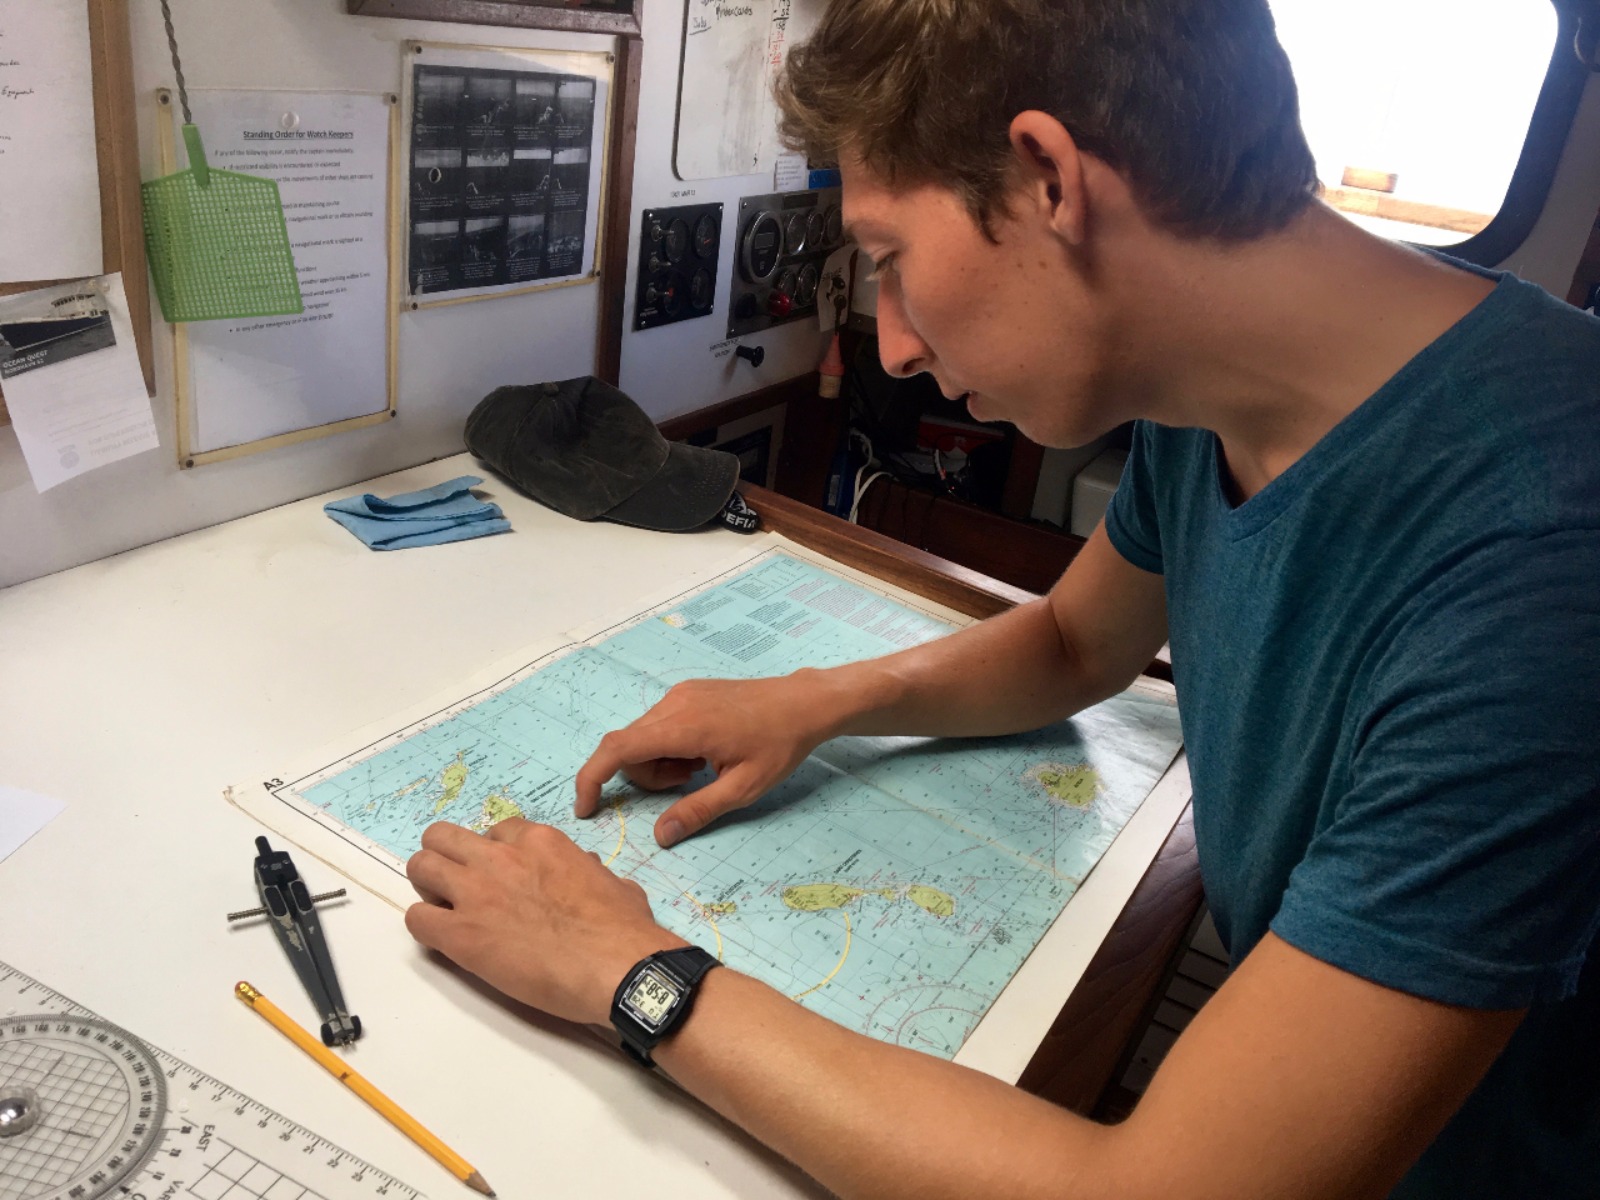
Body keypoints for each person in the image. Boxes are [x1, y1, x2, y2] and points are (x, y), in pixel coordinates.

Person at [400, 2, 1600, 1195]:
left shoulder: (1544, 558)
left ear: (1047, 180)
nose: (895, 346)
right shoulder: (1211, 380)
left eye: (888, 260)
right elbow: (1077, 641)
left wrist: (627, 970)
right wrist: (812, 702)